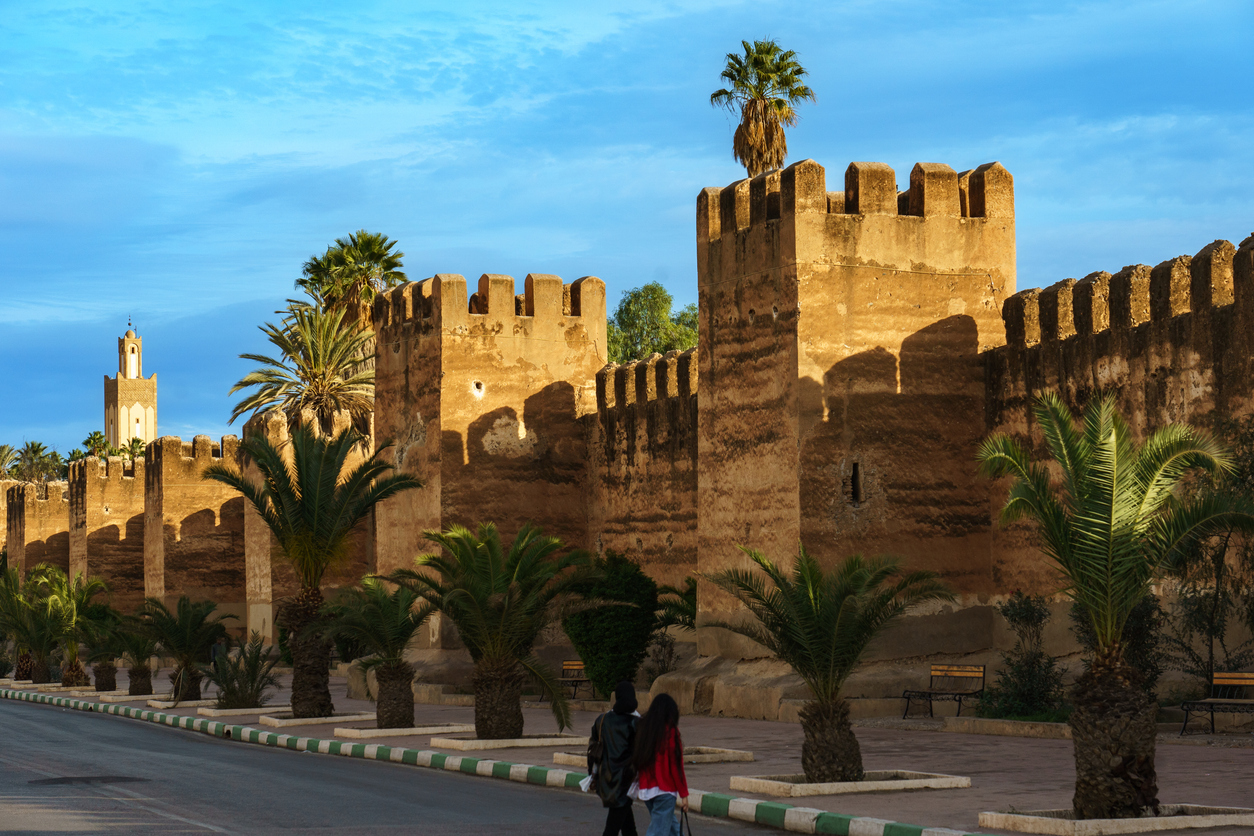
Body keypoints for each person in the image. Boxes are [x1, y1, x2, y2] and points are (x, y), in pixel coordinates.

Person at [631, 693, 689, 836]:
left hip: (646, 789)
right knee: (659, 831)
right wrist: (684, 794)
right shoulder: (671, 731)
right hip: (665, 790)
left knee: (669, 826)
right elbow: (676, 766)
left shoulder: (644, 729)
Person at [590, 681, 640, 836]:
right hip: (626, 780)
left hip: (606, 778)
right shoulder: (635, 722)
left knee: (627, 826)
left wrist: (592, 775)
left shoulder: (602, 720)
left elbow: (593, 749)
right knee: (611, 828)